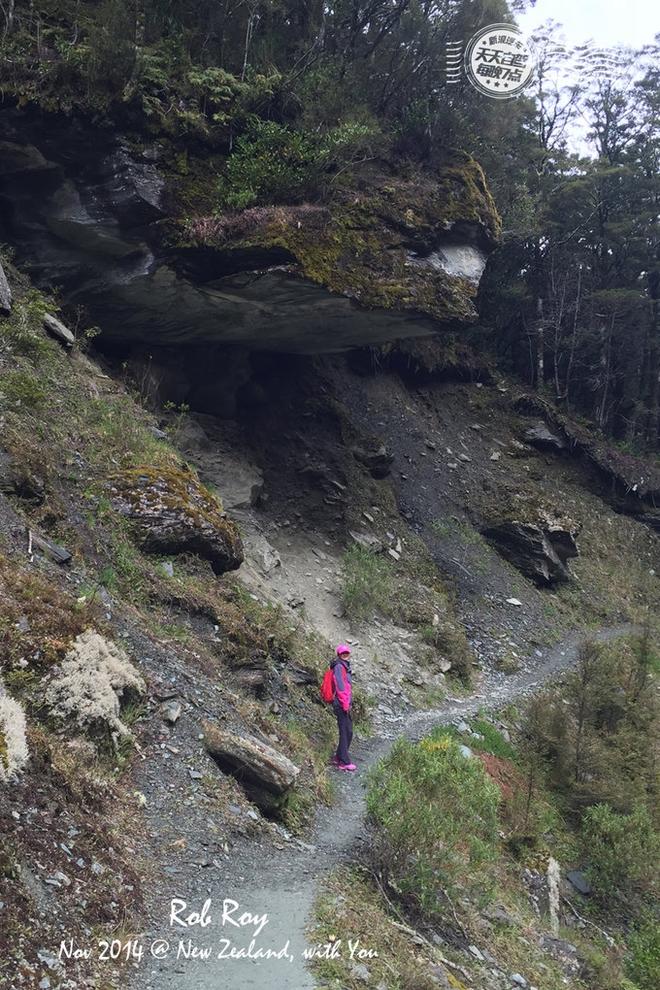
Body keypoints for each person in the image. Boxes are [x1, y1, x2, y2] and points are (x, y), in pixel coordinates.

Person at [330, 644, 356, 772]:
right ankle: (343, 762)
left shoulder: (344, 666)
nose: (345, 655)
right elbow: (340, 687)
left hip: (344, 703)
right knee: (345, 731)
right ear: (339, 655)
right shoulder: (339, 667)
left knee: (348, 731)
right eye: (343, 653)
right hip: (341, 704)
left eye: (347, 653)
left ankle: (338, 757)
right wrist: (345, 704)